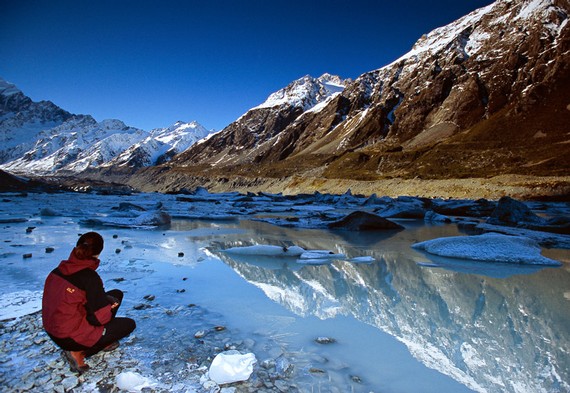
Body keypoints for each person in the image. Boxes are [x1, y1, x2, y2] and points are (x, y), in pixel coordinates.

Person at [42, 231, 136, 373]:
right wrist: (109, 307)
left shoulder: (57, 271)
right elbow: (98, 318)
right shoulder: (89, 278)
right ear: (98, 253)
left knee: (116, 294)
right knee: (129, 324)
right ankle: (79, 352)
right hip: (69, 336)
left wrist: (106, 301)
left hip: (53, 329)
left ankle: (101, 340)